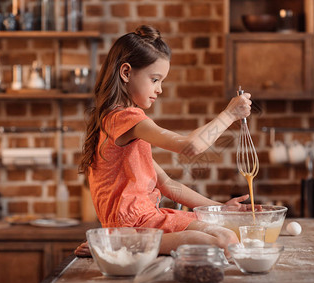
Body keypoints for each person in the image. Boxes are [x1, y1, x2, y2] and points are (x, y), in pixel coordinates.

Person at [75, 25, 252, 257]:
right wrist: (230, 114)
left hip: (147, 219)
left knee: (228, 236)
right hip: (133, 227)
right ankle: (117, 244)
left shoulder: (120, 124)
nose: (159, 89)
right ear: (126, 73)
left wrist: (220, 210)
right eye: (155, 79)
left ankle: (117, 242)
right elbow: (191, 146)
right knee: (223, 242)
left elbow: (167, 184)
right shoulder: (125, 118)